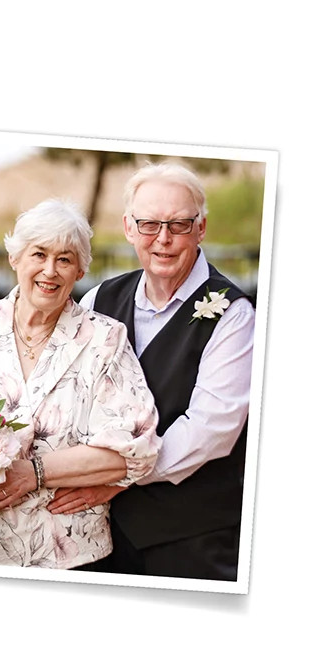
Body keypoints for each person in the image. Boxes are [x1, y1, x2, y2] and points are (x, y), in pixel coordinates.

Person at [0, 199, 161, 569]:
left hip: (68, 555)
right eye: (39, 254)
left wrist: (34, 473)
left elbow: (137, 450)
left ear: (80, 270)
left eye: (65, 259)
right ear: (15, 258)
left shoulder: (105, 340)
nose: (50, 271)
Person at [78, 162, 255, 581]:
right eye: (150, 224)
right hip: (102, 534)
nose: (163, 239)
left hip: (194, 540)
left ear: (201, 228)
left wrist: (117, 475)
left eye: (178, 224)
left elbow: (210, 429)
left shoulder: (234, 315)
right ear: (128, 227)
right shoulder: (99, 298)